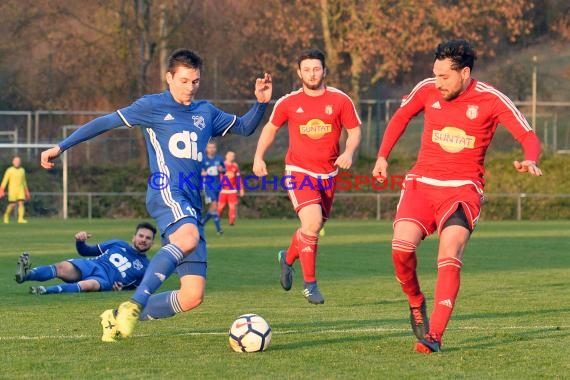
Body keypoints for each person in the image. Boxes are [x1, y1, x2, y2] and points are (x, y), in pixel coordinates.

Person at [40, 48, 272, 342]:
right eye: (184, 81)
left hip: (191, 203)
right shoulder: (151, 105)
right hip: (166, 191)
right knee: (186, 239)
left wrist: (262, 103)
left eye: (195, 81)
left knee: (192, 296)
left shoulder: (206, 112)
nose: (190, 88)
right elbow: (103, 123)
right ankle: (134, 304)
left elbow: (245, 126)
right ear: (169, 77)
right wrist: (60, 147)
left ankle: (114, 318)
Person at [371, 39, 543, 354]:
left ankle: (434, 335)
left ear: (464, 73)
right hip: (421, 184)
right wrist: (382, 156)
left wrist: (530, 158)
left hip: (463, 189)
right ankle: (415, 301)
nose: (438, 83)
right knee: (400, 248)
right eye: (435, 75)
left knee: (449, 253)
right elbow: (400, 118)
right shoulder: (427, 88)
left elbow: (528, 135)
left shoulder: (491, 99)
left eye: (444, 77)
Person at [253, 48, 361, 304]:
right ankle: (310, 284)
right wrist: (259, 156)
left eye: (316, 69)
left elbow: (355, 130)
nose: (312, 74)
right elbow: (271, 129)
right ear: (298, 72)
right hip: (299, 171)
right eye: (307, 69)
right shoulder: (288, 102)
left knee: (312, 228)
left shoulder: (340, 100)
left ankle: (287, 258)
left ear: (324, 71)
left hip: (329, 174)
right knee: (312, 224)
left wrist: (349, 151)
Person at [15, 222, 156, 296]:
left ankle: (45, 290)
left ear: (152, 243)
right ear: (134, 237)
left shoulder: (147, 267)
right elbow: (86, 251)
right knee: (62, 268)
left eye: (148, 238)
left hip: (105, 280)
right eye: (141, 236)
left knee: (88, 286)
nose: (143, 240)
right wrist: (80, 241)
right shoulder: (117, 243)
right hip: (92, 265)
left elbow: (139, 289)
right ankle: (25, 275)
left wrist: (121, 289)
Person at [201, 142, 225, 235]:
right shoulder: (203, 159)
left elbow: (224, 170)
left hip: (218, 185)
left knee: (213, 208)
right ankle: (219, 229)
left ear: (215, 148)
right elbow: (199, 170)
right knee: (214, 205)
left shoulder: (219, 158)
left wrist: (221, 170)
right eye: (209, 147)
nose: (211, 149)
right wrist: (202, 173)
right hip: (208, 186)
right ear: (206, 149)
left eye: (213, 147)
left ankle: (202, 223)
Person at [0, 156, 31, 224]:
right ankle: (6, 216)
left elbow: (24, 182)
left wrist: (27, 191)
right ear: (13, 162)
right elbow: (5, 181)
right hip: (12, 190)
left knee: (21, 203)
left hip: (20, 190)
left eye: (18, 161)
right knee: (12, 204)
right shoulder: (9, 170)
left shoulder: (22, 170)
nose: (17, 162)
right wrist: (1, 190)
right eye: (16, 161)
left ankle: (20, 219)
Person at [217, 150, 244, 226]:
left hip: (232, 190)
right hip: (223, 190)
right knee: (221, 206)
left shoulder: (235, 166)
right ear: (226, 156)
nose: (232, 157)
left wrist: (241, 189)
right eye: (230, 155)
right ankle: (217, 219)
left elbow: (238, 178)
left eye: (233, 156)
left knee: (232, 206)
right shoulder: (221, 165)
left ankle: (231, 222)